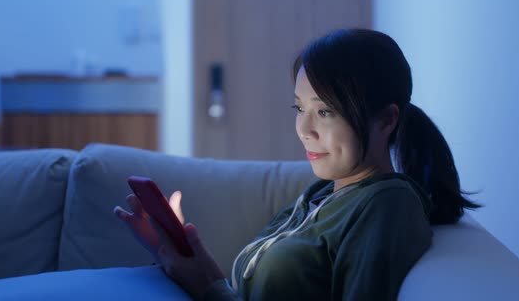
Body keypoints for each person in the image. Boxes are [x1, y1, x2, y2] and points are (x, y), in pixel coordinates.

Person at [113, 28, 480, 300]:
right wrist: (190, 264)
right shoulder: (321, 194)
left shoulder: (387, 205)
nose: (304, 129)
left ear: (386, 120)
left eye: (324, 111)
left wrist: (205, 282)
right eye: (299, 108)